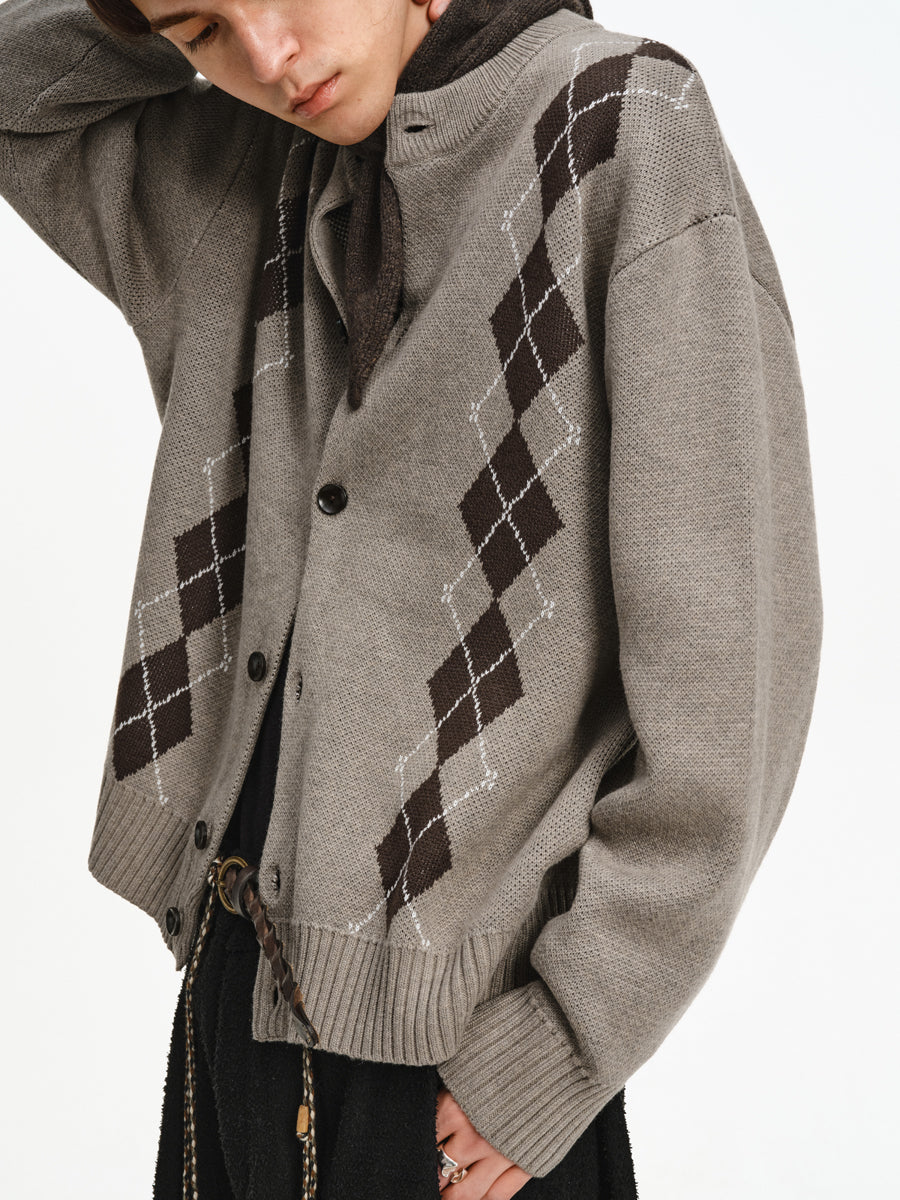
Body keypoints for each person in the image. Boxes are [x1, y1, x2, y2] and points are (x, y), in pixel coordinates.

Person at [0, 0, 824, 1197]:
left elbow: (729, 672)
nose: (266, 57)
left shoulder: (620, 131)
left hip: (461, 1068)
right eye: (200, 31)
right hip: (233, 986)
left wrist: (567, 1038)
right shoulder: (247, 173)